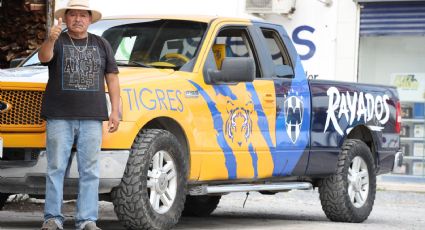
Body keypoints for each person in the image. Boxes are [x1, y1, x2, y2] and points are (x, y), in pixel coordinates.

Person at [38, 0, 120, 229]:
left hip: (93, 117)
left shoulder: (101, 44)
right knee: (55, 168)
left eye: (83, 15)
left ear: (90, 19)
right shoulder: (57, 39)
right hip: (59, 116)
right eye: (72, 14)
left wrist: (116, 110)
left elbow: (112, 77)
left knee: (90, 170)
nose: (78, 19)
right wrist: (51, 38)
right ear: (65, 18)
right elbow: (44, 58)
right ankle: (52, 218)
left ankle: (87, 220)